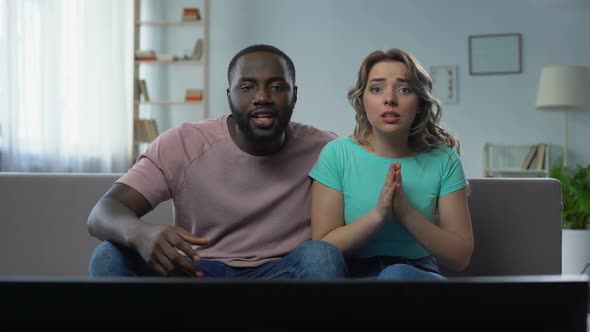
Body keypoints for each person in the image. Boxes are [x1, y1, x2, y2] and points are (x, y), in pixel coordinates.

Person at [87, 44, 347, 279]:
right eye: (247, 87)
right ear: (229, 96)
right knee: (108, 255)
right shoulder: (183, 143)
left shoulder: (326, 149)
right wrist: (140, 233)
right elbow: (103, 212)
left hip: (282, 274)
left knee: (322, 255)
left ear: (295, 95)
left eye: (277, 87)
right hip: (196, 270)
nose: (263, 97)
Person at [309, 48, 473, 280]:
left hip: (418, 275)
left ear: (420, 102)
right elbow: (322, 248)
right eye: (376, 89)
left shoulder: (444, 159)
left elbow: (460, 257)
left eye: (404, 89)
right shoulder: (337, 155)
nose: (390, 99)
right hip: (351, 274)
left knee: (395, 276)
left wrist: (406, 213)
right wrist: (379, 215)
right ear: (362, 100)